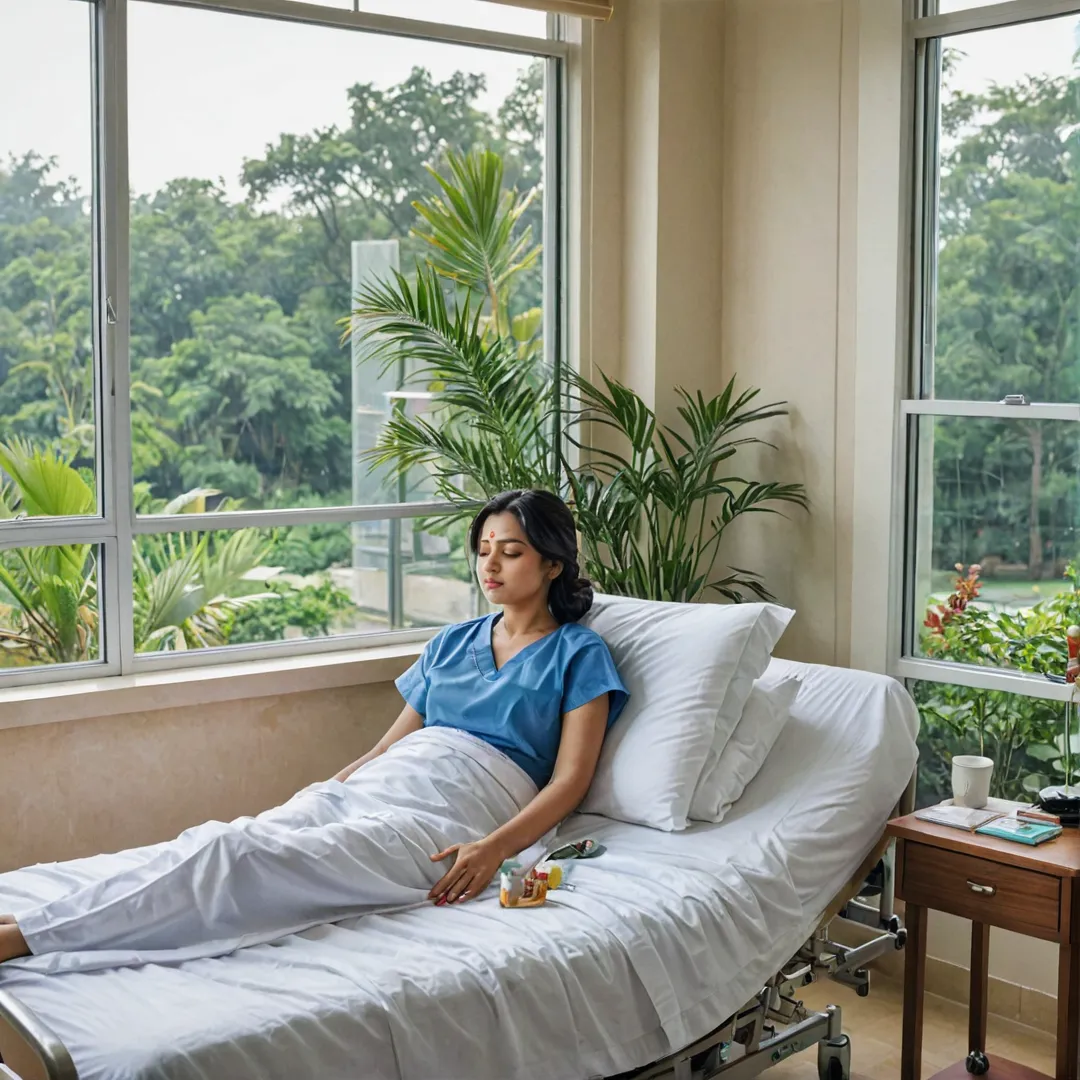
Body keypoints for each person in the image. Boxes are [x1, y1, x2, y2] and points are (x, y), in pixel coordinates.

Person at [0, 489, 628, 966]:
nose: (490, 565)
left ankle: (28, 938)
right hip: (377, 787)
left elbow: (570, 781)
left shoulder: (578, 653)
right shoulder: (452, 642)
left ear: (552, 564)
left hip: (451, 818)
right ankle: (36, 918)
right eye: (483, 551)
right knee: (219, 838)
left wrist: (494, 848)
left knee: (238, 860)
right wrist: (324, 792)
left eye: (511, 552)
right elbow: (390, 745)